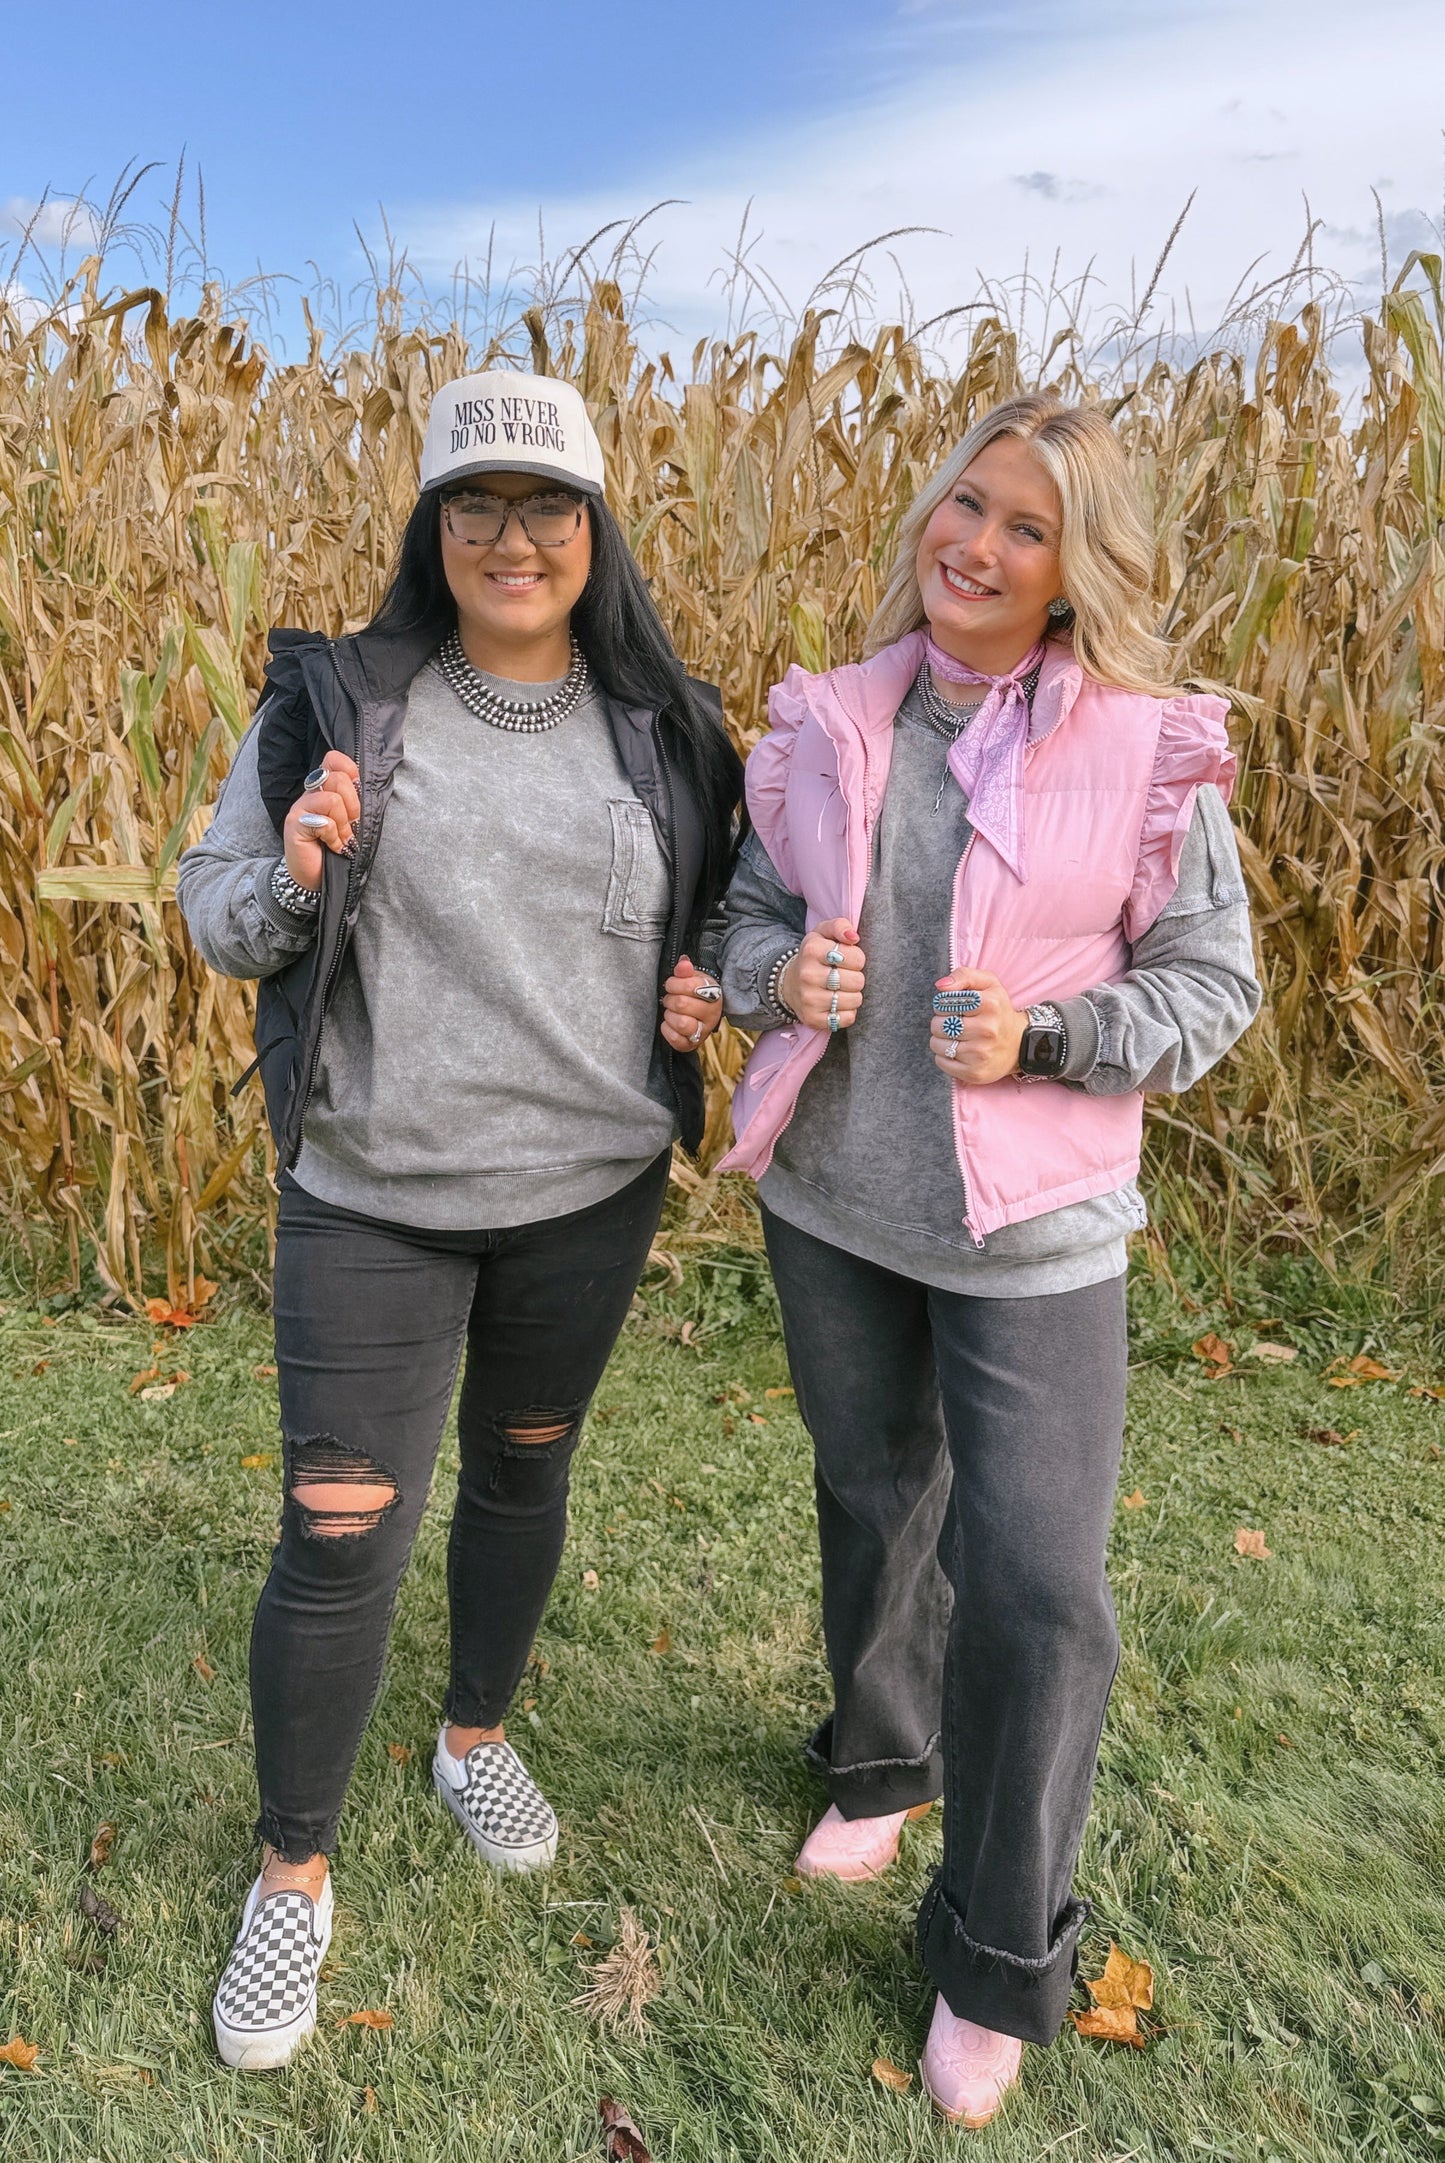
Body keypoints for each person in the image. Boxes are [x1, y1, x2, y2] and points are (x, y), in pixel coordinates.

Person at [177, 370, 740, 2070]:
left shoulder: (667, 724)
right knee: (340, 1531)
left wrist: (725, 983)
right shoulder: (342, 702)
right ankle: (293, 1874)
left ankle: (473, 1732)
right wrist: (288, 865)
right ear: (433, 529)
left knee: (523, 1468)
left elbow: (741, 918)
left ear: (594, 531)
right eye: (476, 507)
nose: (513, 538)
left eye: (546, 508)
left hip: (588, 1186)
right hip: (374, 1192)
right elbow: (220, 912)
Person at [716, 393, 1259, 2128]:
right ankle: (882, 1760)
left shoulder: (1148, 743)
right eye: (966, 506)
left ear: (1073, 567)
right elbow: (741, 917)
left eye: (1026, 528)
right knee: (874, 1494)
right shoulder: (825, 716)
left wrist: (1045, 1037)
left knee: (1036, 1586)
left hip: (1030, 1231)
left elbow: (1207, 985)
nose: (978, 546)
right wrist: (769, 977)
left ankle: (999, 1951)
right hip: (837, 1203)